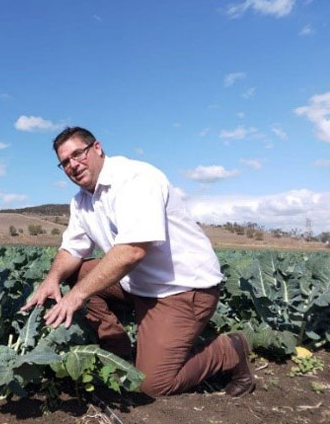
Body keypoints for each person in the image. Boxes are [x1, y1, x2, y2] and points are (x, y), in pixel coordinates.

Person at [22, 126, 254, 397]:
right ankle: (118, 352)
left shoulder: (136, 179)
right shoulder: (82, 201)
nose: (73, 165)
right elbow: (72, 249)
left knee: (153, 384)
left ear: (97, 148)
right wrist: (52, 280)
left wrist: (76, 296)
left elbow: (133, 250)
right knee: (75, 273)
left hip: (181, 289)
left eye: (78, 154)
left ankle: (230, 349)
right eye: (65, 163)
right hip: (139, 283)